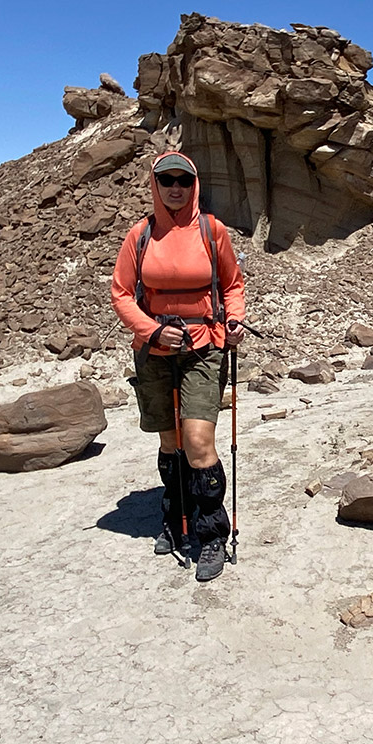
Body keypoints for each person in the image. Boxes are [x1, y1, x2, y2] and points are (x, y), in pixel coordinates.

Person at [110, 151, 246, 581]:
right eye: (166, 180)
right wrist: (151, 331)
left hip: (203, 346)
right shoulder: (141, 235)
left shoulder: (212, 230)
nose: (175, 187)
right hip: (155, 351)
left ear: (194, 185)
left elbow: (232, 285)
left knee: (198, 440)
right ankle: (175, 516)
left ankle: (210, 535)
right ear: (155, 184)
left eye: (183, 181)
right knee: (170, 442)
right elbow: (121, 294)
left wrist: (235, 319)